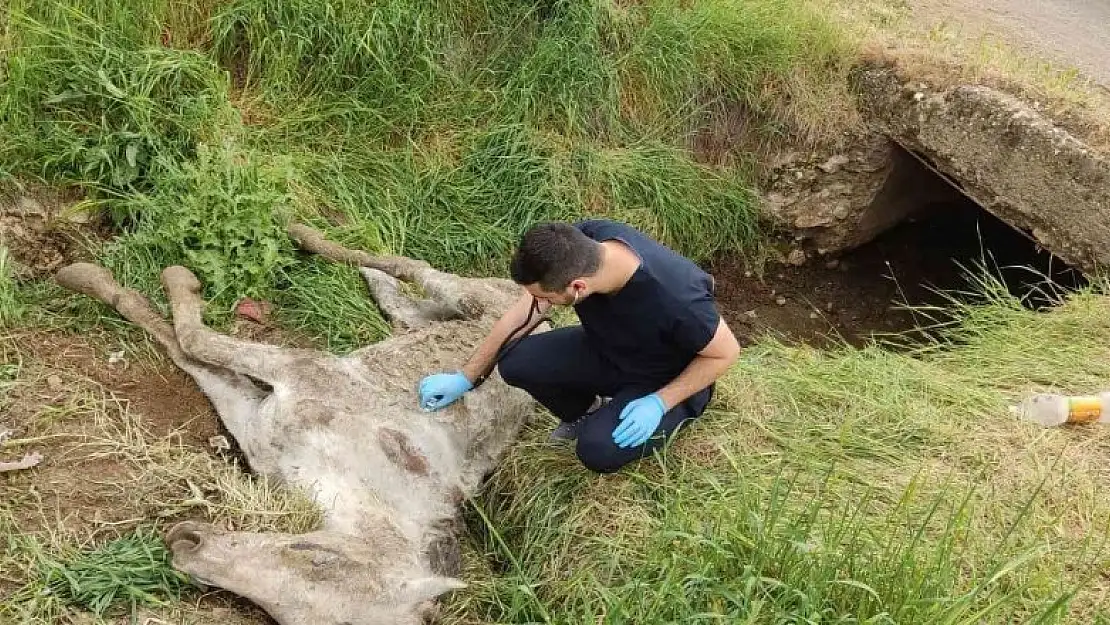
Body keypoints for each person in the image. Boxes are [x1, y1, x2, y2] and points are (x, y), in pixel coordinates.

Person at [417, 219, 741, 473]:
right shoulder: (583, 240)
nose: (539, 303)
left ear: (577, 287)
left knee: (596, 450)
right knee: (516, 362)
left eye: (546, 298)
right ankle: (588, 412)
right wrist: (467, 376)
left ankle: (658, 416)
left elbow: (726, 352)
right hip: (609, 348)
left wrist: (659, 402)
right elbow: (523, 312)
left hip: (663, 377)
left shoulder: (676, 298)